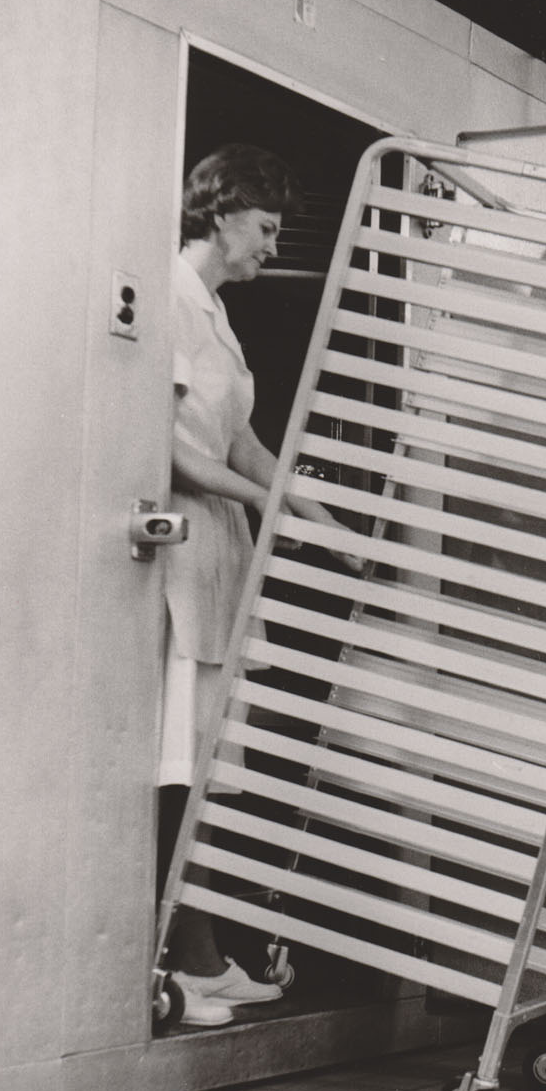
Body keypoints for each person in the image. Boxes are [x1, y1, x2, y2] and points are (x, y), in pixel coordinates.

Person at [157, 144, 363, 1028]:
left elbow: (243, 444)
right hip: (180, 548)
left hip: (219, 551)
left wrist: (325, 521)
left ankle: (200, 956)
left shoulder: (217, 316)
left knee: (206, 766)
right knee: (178, 766)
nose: (274, 248)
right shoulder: (168, 298)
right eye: (268, 228)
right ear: (222, 211)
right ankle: (181, 960)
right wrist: (274, 511)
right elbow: (171, 450)